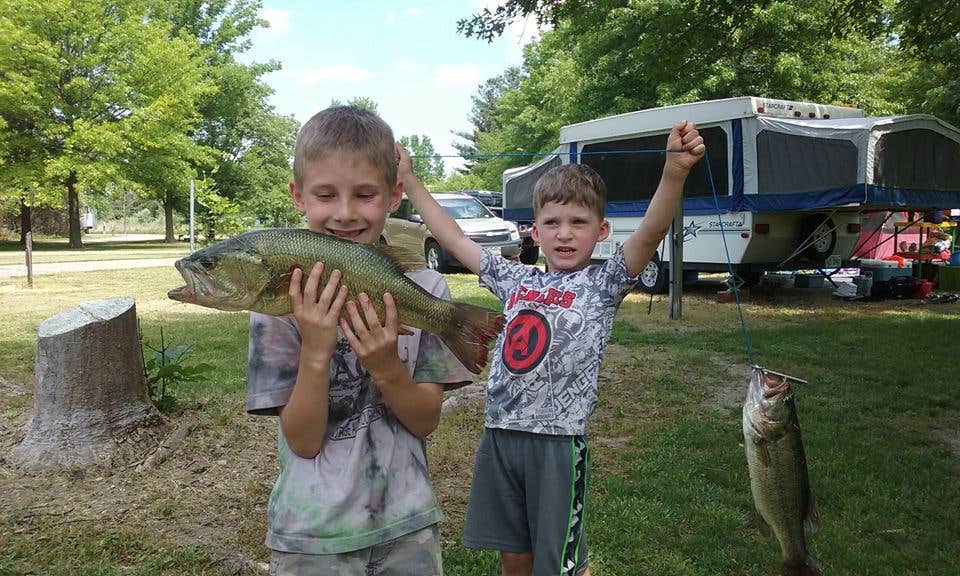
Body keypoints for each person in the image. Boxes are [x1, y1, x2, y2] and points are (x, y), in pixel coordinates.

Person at [397, 121, 705, 576]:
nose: (564, 234)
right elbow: (454, 237)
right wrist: (409, 181)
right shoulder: (516, 279)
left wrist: (674, 172)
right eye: (552, 223)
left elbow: (651, 231)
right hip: (500, 434)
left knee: (559, 563)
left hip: (558, 442)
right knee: (513, 554)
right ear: (534, 232)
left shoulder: (604, 283)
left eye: (578, 223)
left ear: (601, 231)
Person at [246, 106, 476, 576]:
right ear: (298, 195)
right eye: (326, 194)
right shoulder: (278, 300)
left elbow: (425, 420)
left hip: (407, 527)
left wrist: (387, 365)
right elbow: (304, 442)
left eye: (365, 194)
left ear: (394, 196)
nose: (345, 213)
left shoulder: (428, 291)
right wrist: (316, 349)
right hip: (312, 537)